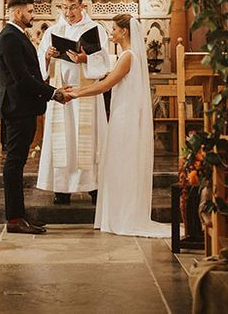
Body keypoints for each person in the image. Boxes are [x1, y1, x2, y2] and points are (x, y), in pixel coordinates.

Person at [66, 13, 170, 237]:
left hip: (125, 118)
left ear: (124, 31)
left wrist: (76, 93)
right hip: (122, 115)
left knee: (121, 163)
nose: (111, 32)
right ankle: (120, 214)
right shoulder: (126, 56)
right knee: (119, 164)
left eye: (114, 28)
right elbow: (105, 72)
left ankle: (124, 216)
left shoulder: (128, 57)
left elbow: (105, 85)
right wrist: (85, 61)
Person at [0, 0, 69, 234]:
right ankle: (14, 219)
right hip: (18, 108)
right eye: (29, 11)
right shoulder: (9, 38)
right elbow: (22, 78)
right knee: (14, 163)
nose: (32, 15)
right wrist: (53, 92)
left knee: (17, 162)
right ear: (18, 13)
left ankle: (20, 214)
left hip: (22, 107)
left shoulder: (16, 35)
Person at [36, 0, 109, 205]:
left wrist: (86, 59)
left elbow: (104, 61)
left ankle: (93, 186)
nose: (69, 12)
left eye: (73, 7)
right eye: (65, 8)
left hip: (86, 92)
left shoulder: (95, 29)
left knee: (89, 139)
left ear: (81, 6)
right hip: (62, 92)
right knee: (63, 140)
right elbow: (40, 63)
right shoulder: (53, 31)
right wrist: (47, 57)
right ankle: (62, 188)